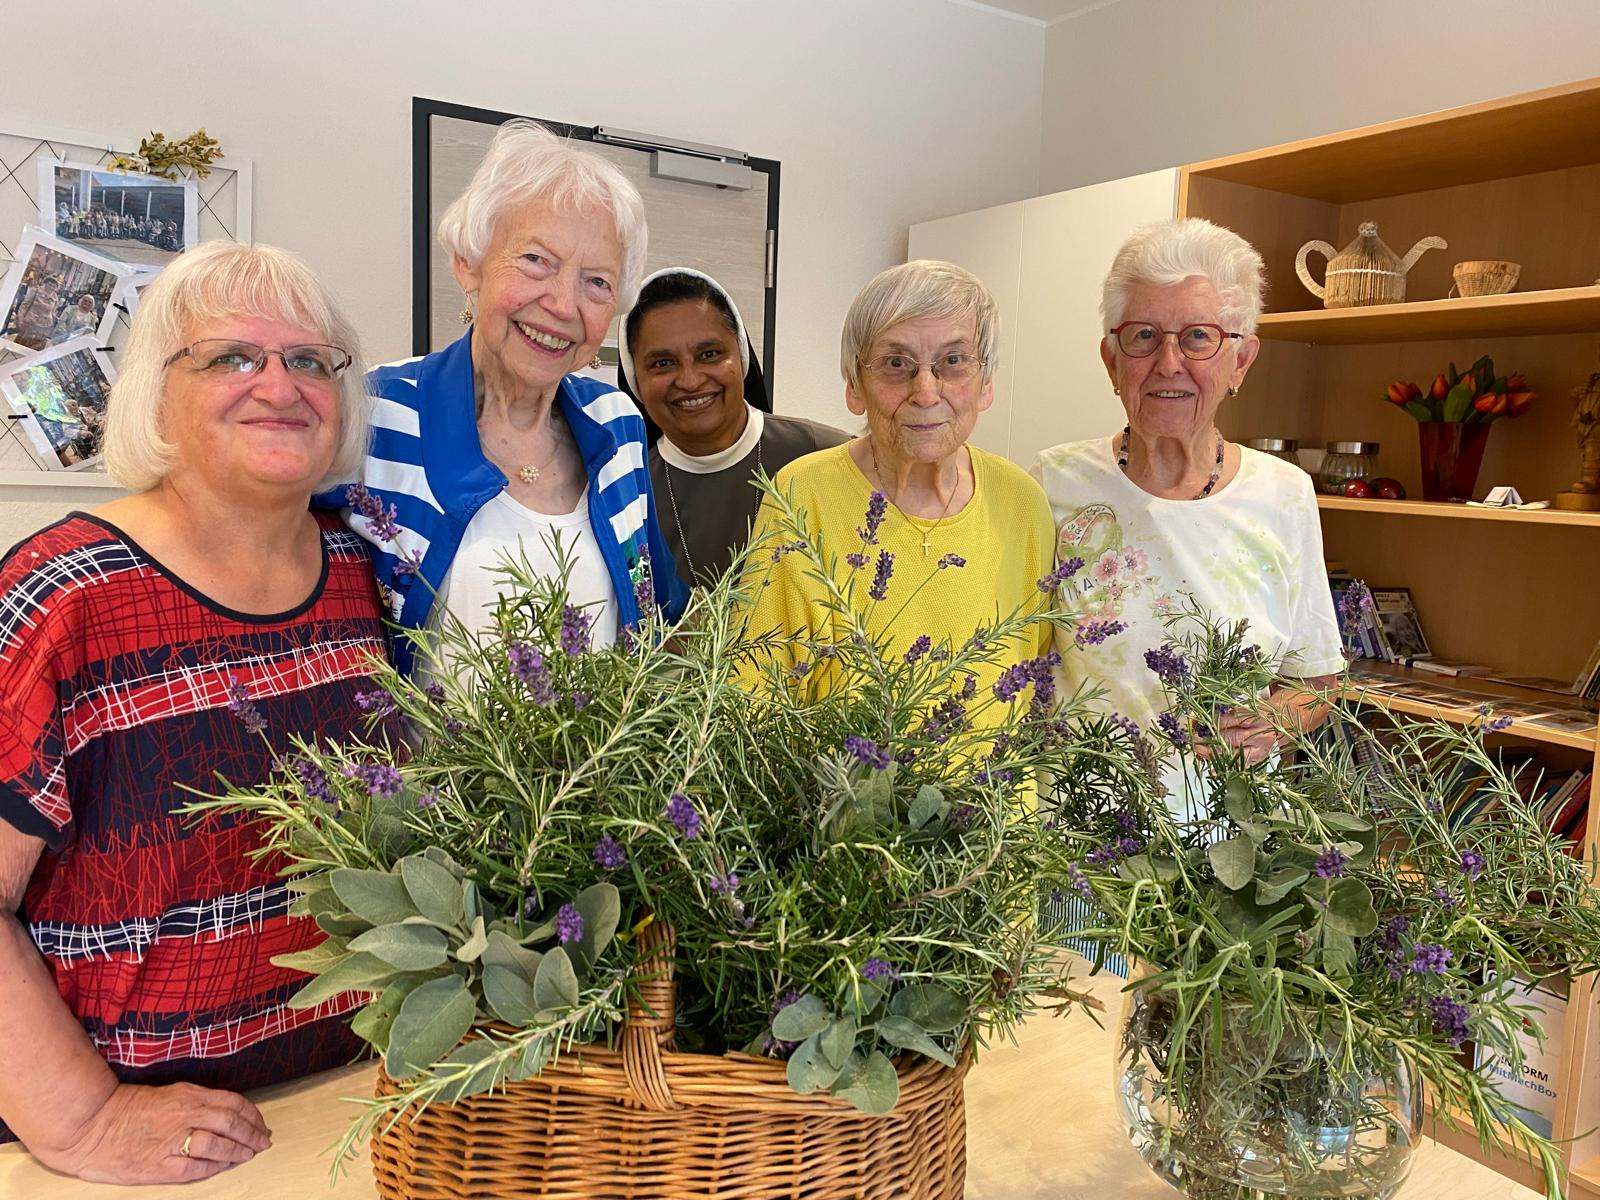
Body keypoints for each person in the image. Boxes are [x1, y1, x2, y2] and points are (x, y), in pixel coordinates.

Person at [0, 241, 387, 1184]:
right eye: (230, 357)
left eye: (309, 360)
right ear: (154, 397)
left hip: (332, 1110)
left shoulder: (362, 573)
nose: (279, 384)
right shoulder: (61, 598)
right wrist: (87, 1120)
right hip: (118, 1156)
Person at [338, 120, 685, 675]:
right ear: (467, 263)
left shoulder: (615, 422)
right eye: (536, 260)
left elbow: (658, 613)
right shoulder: (375, 413)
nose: (563, 304)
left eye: (596, 282)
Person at [1031, 217, 1343, 804]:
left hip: (1231, 848)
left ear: (1241, 360)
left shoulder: (1285, 495)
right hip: (1076, 849)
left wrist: (1275, 722)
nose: (1168, 362)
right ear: (1111, 360)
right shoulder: (1054, 483)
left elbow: (1320, 678)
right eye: (1143, 336)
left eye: (1198, 337)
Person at [742, 260, 1056, 719]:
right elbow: (756, 692)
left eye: (953, 361)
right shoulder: (801, 495)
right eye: (895, 364)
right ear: (854, 386)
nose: (926, 392)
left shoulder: (1023, 502)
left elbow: (1038, 687)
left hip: (996, 791)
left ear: (986, 383)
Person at [617, 267, 846, 587]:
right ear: (635, 381)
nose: (690, 380)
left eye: (709, 354)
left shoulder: (831, 456)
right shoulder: (626, 497)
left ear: (740, 357)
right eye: (662, 363)